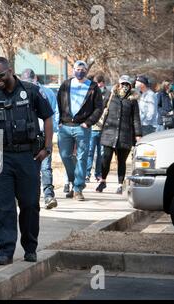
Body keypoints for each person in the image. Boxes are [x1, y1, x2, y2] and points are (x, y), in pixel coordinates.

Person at [0, 57, 54, 265]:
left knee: (30, 204)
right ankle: (5, 251)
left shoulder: (32, 91)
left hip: (28, 155)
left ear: (10, 71)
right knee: (3, 206)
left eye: (0, 76)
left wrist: (47, 148)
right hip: (1, 157)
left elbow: (48, 118)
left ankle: (30, 248)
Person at [57, 60, 103, 201]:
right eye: (78, 68)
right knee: (65, 156)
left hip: (82, 128)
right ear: (73, 70)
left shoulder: (93, 87)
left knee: (82, 158)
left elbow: (98, 108)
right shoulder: (66, 84)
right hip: (65, 127)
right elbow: (59, 102)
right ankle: (73, 180)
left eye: (83, 69)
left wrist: (88, 123)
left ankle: (78, 189)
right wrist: (59, 121)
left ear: (86, 71)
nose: (80, 71)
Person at [96, 75, 142, 194]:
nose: (124, 86)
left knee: (121, 161)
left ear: (130, 86)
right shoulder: (110, 95)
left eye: (127, 84)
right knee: (105, 159)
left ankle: (120, 184)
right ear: (118, 84)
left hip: (125, 135)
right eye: (123, 84)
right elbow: (101, 109)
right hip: (109, 133)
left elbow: (136, 118)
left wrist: (138, 134)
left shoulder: (133, 100)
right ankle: (103, 181)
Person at [21, 68, 59, 210]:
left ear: (35, 79)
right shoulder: (20, 93)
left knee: (45, 167)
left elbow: (53, 114)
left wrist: (49, 139)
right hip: (26, 138)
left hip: (43, 135)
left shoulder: (47, 93)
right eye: (25, 82)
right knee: (28, 170)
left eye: (30, 81)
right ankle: (29, 198)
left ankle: (48, 195)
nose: (28, 85)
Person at [86, 75, 107, 183]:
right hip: (92, 128)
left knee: (100, 154)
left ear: (103, 83)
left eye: (100, 83)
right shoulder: (91, 94)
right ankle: (87, 174)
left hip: (102, 129)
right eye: (97, 83)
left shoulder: (108, 95)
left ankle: (98, 174)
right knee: (90, 152)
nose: (98, 85)